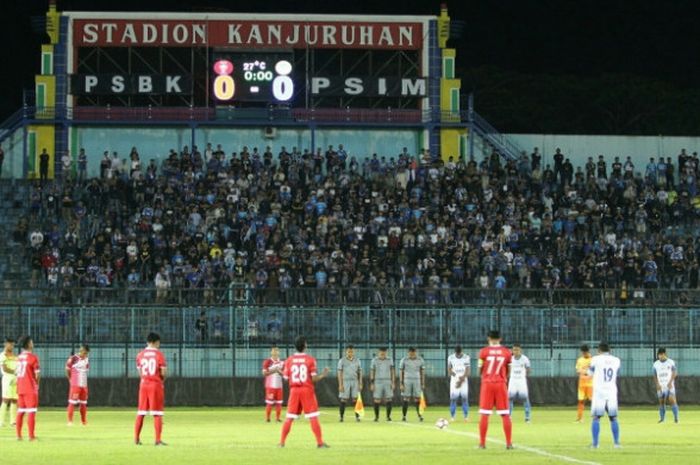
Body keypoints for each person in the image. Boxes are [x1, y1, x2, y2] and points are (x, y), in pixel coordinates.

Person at [279, 336, 330, 449]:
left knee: (289, 417)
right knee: (313, 417)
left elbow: (286, 378)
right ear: (305, 345)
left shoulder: (289, 360)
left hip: (294, 391)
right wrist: (323, 374)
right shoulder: (310, 359)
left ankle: (281, 442)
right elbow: (313, 379)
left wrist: (280, 371)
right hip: (307, 390)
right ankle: (320, 443)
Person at [477, 330, 513, 449]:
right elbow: (509, 370)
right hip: (501, 384)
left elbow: (480, 369)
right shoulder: (507, 352)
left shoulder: (483, 352)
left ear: (488, 338)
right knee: (505, 414)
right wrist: (503, 378)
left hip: (487, 383)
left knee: (485, 414)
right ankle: (508, 443)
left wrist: (485, 376)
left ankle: (482, 444)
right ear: (500, 338)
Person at [134, 332, 167, 446]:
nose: (159, 345)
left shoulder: (140, 355)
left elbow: (140, 372)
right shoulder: (159, 354)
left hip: (143, 384)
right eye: (158, 342)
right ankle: (157, 440)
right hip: (155, 384)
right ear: (155, 342)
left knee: (141, 412)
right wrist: (161, 380)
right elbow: (163, 372)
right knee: (157, 413)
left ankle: (136, 439)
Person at [589, 342, 621, 448]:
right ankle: (616, 443)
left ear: (599, 350)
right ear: (609, 350)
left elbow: (590, 373)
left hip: (599, 391)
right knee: (613, 418)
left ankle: (595, 444)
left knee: (596, 418)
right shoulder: (616, 360)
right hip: (611, 391)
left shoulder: (595, 359)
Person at [15, 336, 40, 441]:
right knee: (31, 411)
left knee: (20, 411)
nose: (33, 343)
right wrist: (37, 385)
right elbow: (37, 375)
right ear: (29, 344)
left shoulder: (19, 357)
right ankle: (31, 436)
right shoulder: (33, 357)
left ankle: (19, 436)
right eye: (32, 342)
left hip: (20, 387)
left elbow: (16, 373)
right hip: (30, 388)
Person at [66, 344, 90, 426]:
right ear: (81, 350)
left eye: (86, 353)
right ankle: (70, 421)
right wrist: (70, 379)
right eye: (84, 352)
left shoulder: (87, 359)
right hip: (75, 384)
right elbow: (67, 369)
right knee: (72, 402)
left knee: (83, 403)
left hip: (84, 384)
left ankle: (83, 421)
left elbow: (86, 370)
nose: (85, 354)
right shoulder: (73, 358)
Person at [337, 344, 362, 422]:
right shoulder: (342, 361)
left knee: (355, 399)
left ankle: (357, 417)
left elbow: (360, 372)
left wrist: (360, 383)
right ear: (346, 352)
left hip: (355, 381)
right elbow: (339, 373)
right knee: (343, 399)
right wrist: (340, 385)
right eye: (349, 351)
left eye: (351, 351)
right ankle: (341, 417)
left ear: (354, 352)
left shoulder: (357, 360)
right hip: (345, 381)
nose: (350, 353)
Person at [653, 348, 679, 423]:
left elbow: (674, 373)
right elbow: (655, 375)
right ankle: (662, 419)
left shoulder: (670, 362)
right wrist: (657, 384)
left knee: (672, 400)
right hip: (661, 386)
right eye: (659, 355)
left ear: (665, 354)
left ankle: (676, 418)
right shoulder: (656, 364)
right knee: (661, 401)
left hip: (669, 385)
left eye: (662, 354)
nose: (660, 356)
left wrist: (670, 382)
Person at [399, 347, 425, 422]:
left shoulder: (420, 360)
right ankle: (404, 416)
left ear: (415, 352)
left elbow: (422, 372)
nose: (412, 354)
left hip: (417, 380)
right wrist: (401, 383)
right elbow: (401, 372)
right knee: (406, 398)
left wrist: (423, 383)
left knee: (417, 398)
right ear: (408, 352)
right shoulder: (404, 360)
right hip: (407, 380)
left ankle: (420, 415)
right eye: (411, 352)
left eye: (413, 352)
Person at [370, 347, 395, 422]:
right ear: (379, 352)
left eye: (384, 352)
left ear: (386, 352)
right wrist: (372, 383)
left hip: (388, 380)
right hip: (377, 381)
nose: (383, 353)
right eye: (381, 352)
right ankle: (376, 417)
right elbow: (372, 371)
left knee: (389, 398)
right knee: (377, 399)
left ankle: (388, 417)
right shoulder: (374, 360)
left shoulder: (390, 360)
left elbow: (392, 371)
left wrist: (393, 382)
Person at [508, 344, 531, 422]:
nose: (515, 351)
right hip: (513, 380)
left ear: (520, 350)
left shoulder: (525, 359)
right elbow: (507, 369)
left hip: (521, 380)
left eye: (517, 350)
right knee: (509, 398)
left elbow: (528, 369)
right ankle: (509, 416)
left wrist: (524, 376)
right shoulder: (510, 359)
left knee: (525, 398)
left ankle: (527, 417)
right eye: (514, 350)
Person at [447, 345, 470, 422]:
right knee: (453, 399)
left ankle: (466, 417)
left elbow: (467, 370)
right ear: (455, 352)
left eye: (459, 353)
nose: (458, 354)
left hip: (464, 379)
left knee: (464, 398)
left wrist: (462, 378)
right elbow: (449, 370)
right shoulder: (450, 358)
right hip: (454, 379)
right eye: (457, 353)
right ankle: (452, 417)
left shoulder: (466, 357)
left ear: (461, 351)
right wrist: (457, 376)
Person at [262, 345, 284, 422]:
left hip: (279, 386)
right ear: (271, 352)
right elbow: (264, 373)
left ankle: (278, 418)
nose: (275, 352)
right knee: (269, 403)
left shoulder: (282, 362)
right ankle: (268, 418)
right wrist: (275, 370)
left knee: (279, 403)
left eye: (277, 350)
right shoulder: (267, 362)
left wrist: (280, 372)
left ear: (279, 352)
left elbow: (284, 374)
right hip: (270, 386)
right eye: (274, 350)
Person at [0, 338, 17, 427]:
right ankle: (1, 421)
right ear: (5, 344)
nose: (12, 346)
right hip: (7, 379)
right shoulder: (3, 355)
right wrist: (15, 372)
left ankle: (13, 421)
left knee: (14, 400)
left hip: (15, 379)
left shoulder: (14, 356)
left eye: (13, 345)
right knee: (5, 400)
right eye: (11, 344)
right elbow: (4, 368)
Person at [575, 344, 593, 422]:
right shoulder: (579, 360)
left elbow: (594, 371)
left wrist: (584, 372)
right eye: (583, 352)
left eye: (586, 352)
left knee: (593, 401)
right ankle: (580, 418)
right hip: (581, 384)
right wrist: (585, 372)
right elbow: (578, 370)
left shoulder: (593, 360)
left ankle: (595, 417)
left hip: (591, 384)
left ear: (588, 351)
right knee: (580, 401)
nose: (584, 354)